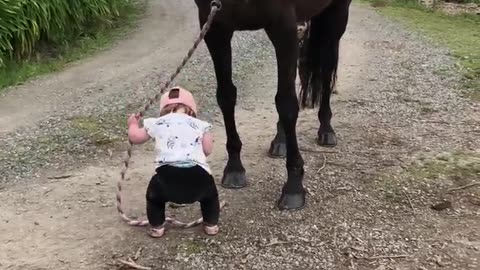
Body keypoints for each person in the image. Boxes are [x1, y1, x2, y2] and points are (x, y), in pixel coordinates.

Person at [127, 86, 219, 238]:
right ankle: (211, 225)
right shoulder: (201, 125)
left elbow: (135, 138)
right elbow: (208, 150)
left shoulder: (157, 122)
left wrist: (132, 124)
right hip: (198, 175)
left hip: (167, 176)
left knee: (154, 198)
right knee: (210, 197)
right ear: (192, 108)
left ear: (163, 108)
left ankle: (157, 227)